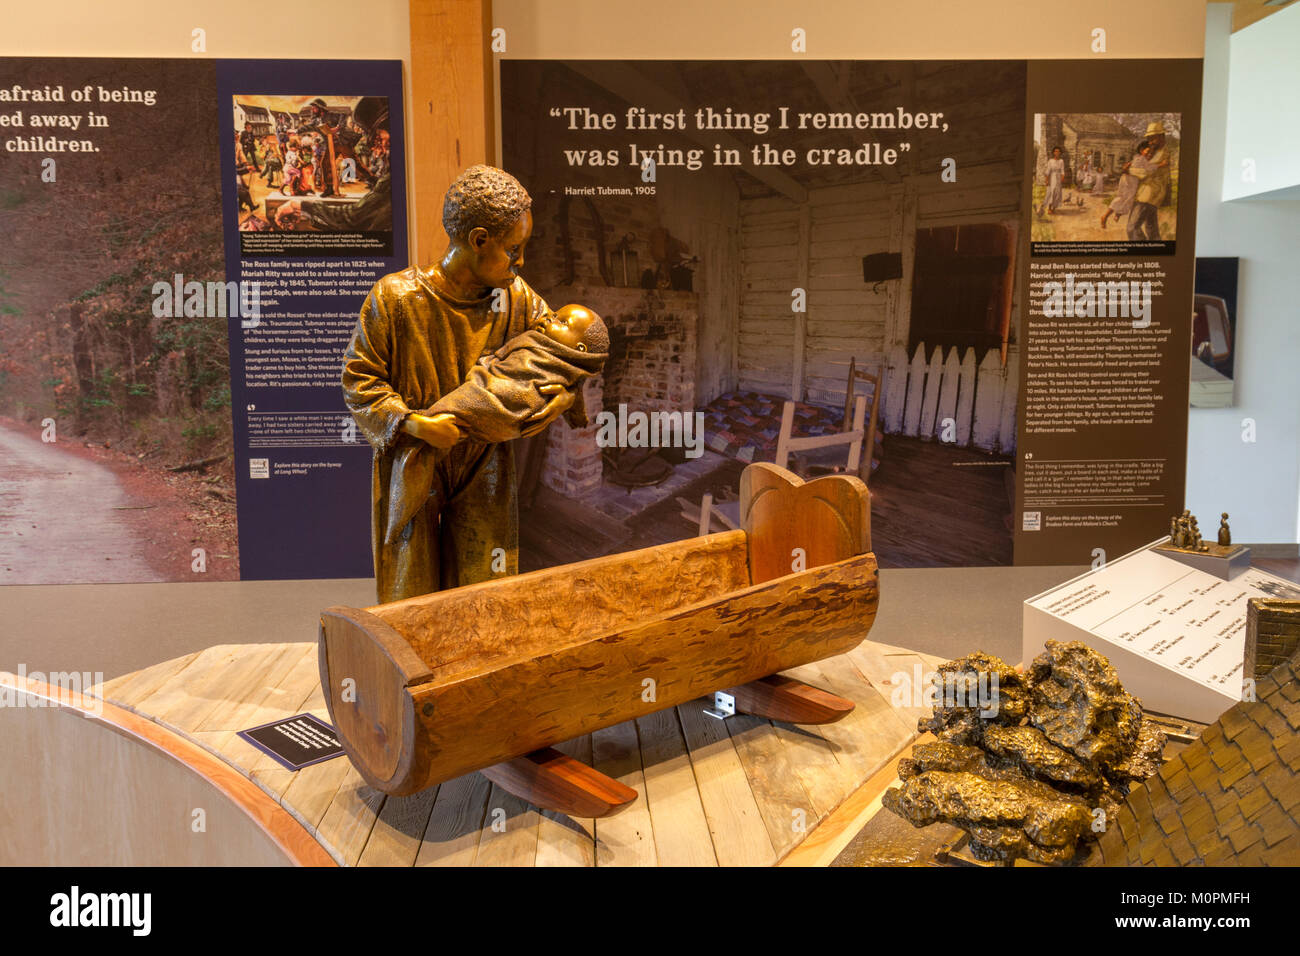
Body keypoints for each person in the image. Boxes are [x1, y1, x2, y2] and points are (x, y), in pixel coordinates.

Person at [342, 164, 580, 602]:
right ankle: (411, 668)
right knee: (409, 587)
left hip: (483, 463)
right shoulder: (395, 298)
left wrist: (562, 396)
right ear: (478, 241)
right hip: (415, 460)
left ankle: (479, 666)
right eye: (514, 249)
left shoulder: (517, 298)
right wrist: (413, 423)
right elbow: (360, 380)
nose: (521, 261)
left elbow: (562, 355)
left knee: (484, 585)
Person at [1126, 120, 1171, 242]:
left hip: (1148, 195)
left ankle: (1141, 253)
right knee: (1151, 229)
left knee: (1132, 228)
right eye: (1149, 138)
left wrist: (1128, 170)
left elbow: (1145, 172)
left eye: (1152, 138)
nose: (1150, 142)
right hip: (1148, 195)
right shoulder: (1156, 152)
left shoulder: (1161, 155)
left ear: (1161, 137)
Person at [1101, 139, 1152, 229]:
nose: (1149, 154)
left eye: (1151, 153)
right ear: (1141, 150)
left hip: (1131, 180)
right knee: (1123, 197)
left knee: (1128, 198)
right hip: (1129, 180)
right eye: (1147, 152)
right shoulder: (1140, 159)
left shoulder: (1140, 159)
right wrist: (1161, 165)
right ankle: (1105, 216)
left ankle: (1118, 214)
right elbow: (1135, 171)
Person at [1038, 146, 1065, 216]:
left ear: (1060, 153)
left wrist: (1062, 178)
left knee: (1057, 193)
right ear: (1053, 153)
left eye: (1058, 151)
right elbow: (1048, 171)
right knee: (1051, 192)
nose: (1057, 153)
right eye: (1055, 151)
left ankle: (1054, 207)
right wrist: (1047, 180)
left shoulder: (1061, 161)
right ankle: (1049, 208)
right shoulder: (1050, 161)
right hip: (1052, 177)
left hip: (1058, 177)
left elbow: (1062, 171)